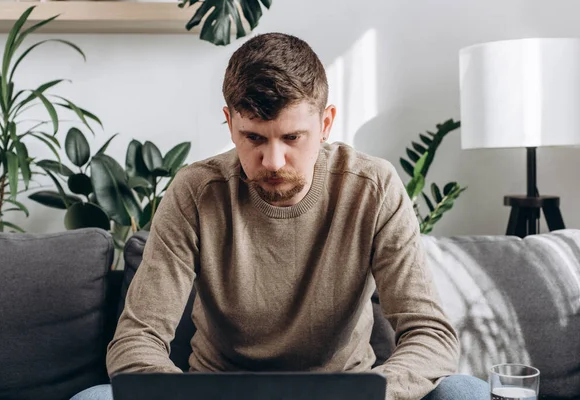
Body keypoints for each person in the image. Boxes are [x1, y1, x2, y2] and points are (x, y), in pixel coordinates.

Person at [71, 32, 489, 400]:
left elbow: (429, 334)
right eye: (253, 137)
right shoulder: (195, 192)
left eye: (292, 138)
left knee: (467, 392)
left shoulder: (372, 187)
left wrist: (378, 394)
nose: (272, 161)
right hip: (219, 395)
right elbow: (136, 341)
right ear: (229, 122)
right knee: (93, 398)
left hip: (347, 396)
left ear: (326, 123)